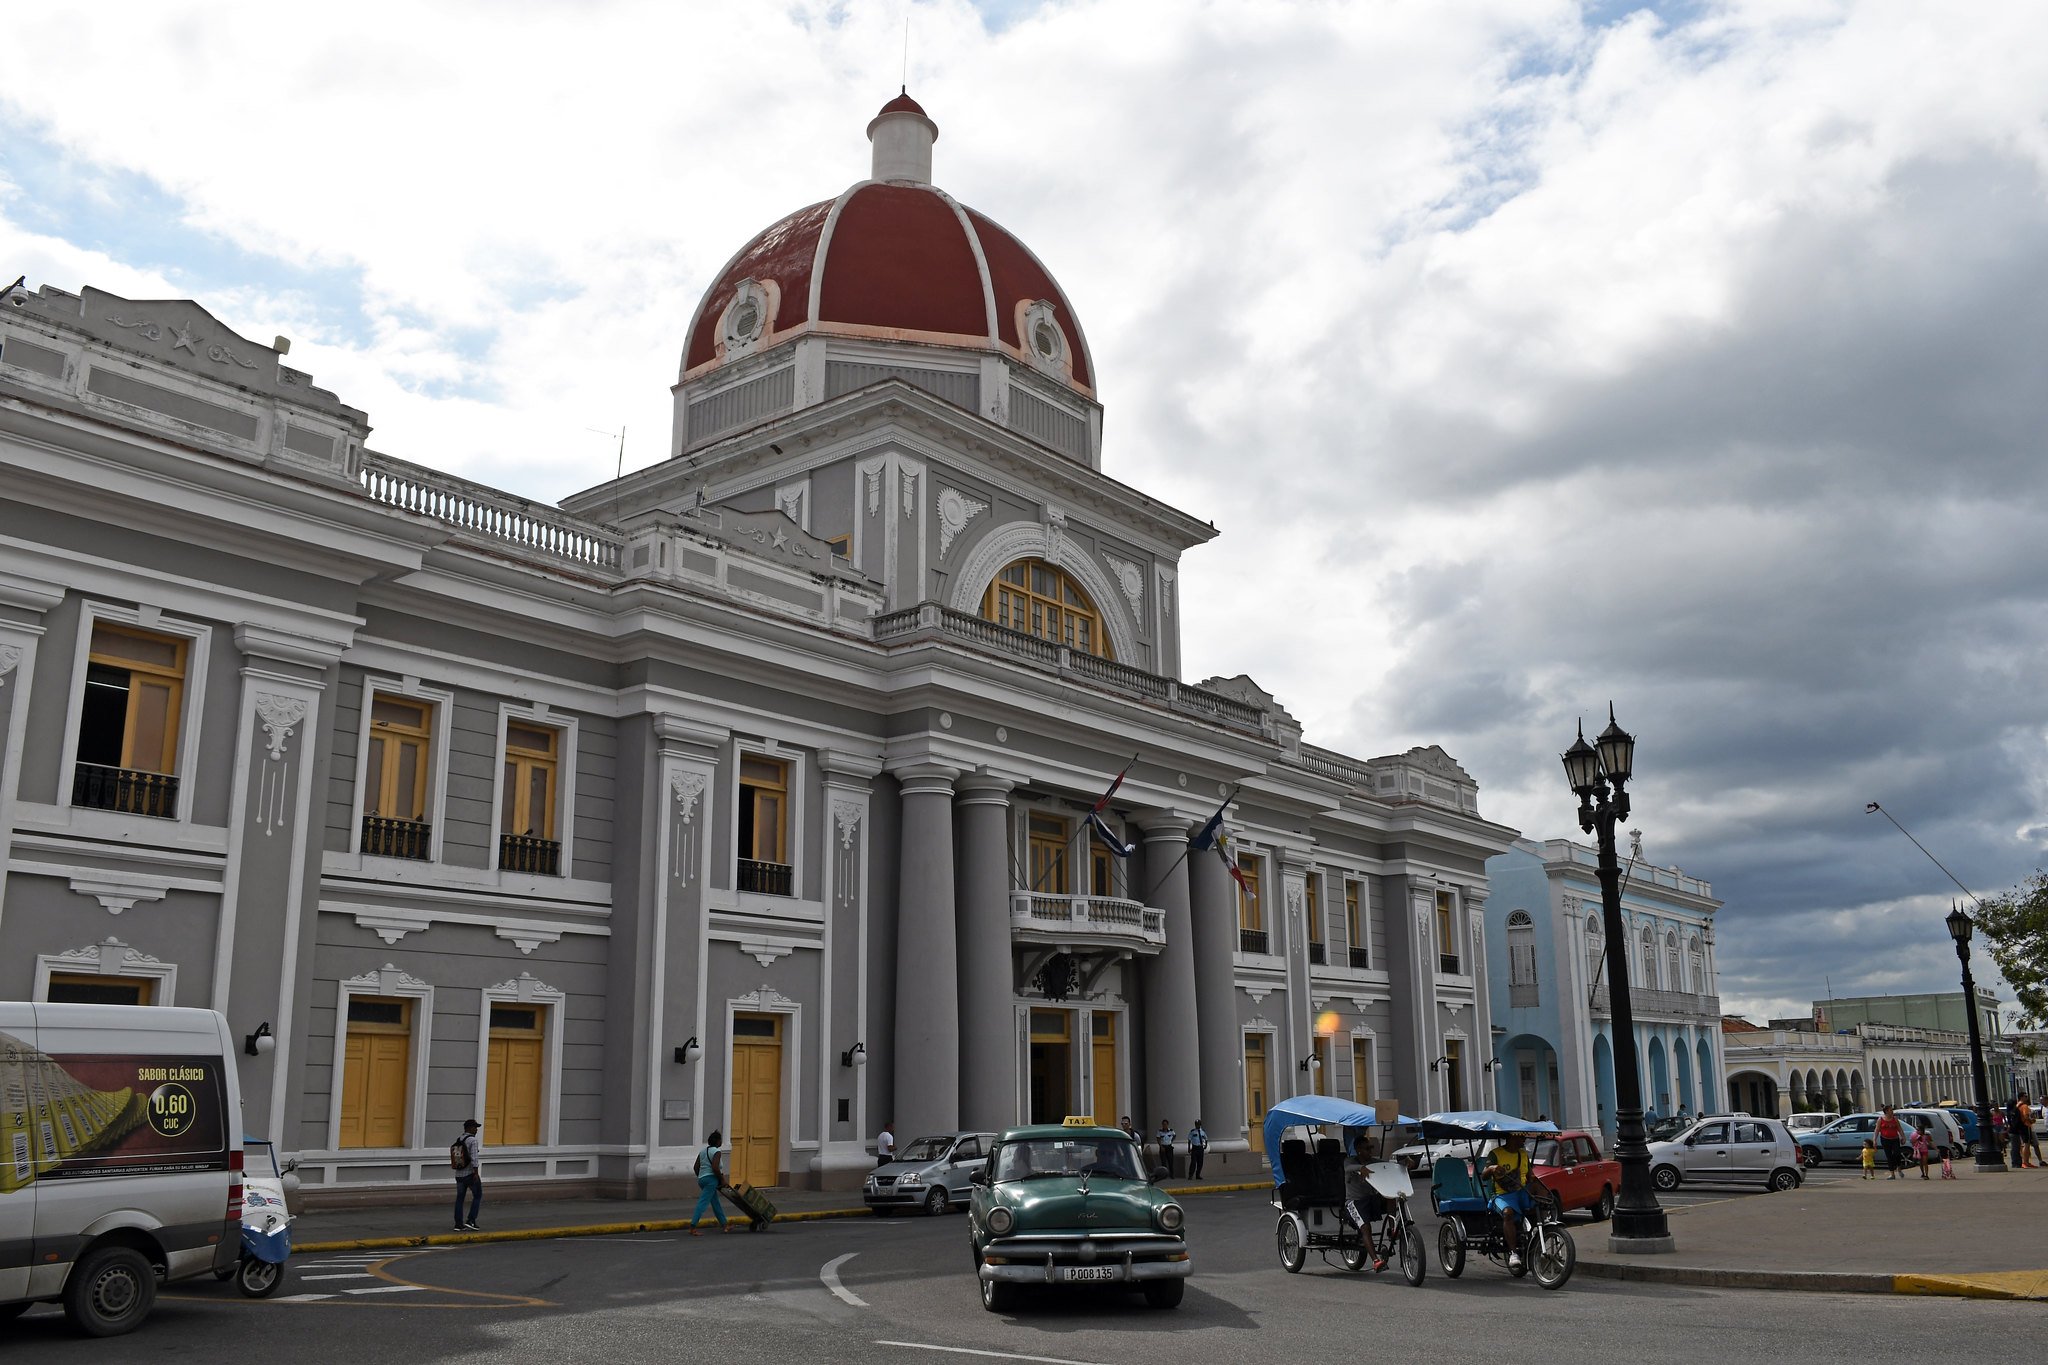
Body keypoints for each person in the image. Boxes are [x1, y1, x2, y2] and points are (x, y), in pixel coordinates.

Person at [1481, 1131, 1536, 1272]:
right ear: (1511, 1137)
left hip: (1521, 1192)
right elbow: (1484, 1175)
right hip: (1501, 1195)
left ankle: (1538, 1237)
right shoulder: (1495, 1154)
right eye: (1521, 1137)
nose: (1523, 1140)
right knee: (1508, 1213)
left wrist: (1533, 1179)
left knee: (1541, 1204)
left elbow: (1529, 1174)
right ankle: (1513, 1253)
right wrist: (1492, 1168)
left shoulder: (1523, 1154)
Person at [1341, 1132, 1385, 1271]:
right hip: (1354, 1202)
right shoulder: (1350, 1161)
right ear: (1359, 1150)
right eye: (1367, 1148)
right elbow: (1347, 1168)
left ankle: (1393, 1229)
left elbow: (1387, 1164)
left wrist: (1403, 1163)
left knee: (1392, 1198)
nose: (1370, 1151)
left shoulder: (1372, 1162)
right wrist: (1360, 1168)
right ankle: (1376, 1261)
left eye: (1371, 1148)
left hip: (1370, 1199)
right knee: (1365, 1228)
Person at [689, 1130, 728, 1235]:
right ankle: (693, 1226)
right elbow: (715, 1168)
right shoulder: (716, 1151)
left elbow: (696, 1167)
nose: (721, 1142)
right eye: (720, 1140)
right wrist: (722, 1179)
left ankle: (725, 1225)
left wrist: (701, 1177)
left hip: (702, 1179)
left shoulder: (702, 1151)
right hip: (711, 1180)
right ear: (718, 1141)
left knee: (715, 1202)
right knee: (703, 1202)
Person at [452, 1118, 483, 1231]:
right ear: (469, 1128)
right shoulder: (473, 1141)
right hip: (470, 1174)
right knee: (478, 1195)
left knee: (460, 1198)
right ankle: (471, 1220)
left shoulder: (459, 1139)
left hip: (459, 1174)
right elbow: (474, 1158)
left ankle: (458, 1224)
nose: (476, 1130)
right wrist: (476, 1173)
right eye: (475, 1127)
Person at [1876, 1106, 1904, 1178]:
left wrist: (1903, 1137)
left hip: (1895, 1139)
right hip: (1885, 1139)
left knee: (1897, 1153)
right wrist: (1874, 1140)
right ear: (1886, 1111)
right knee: (1889, 1156)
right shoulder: (1880, 1119)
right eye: (1890, 1110)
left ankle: (1899, 1167)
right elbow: (1877, 1130)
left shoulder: (1895, 1119)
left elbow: (1899, 1129)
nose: (1892, 1111)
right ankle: (1892, 1174)